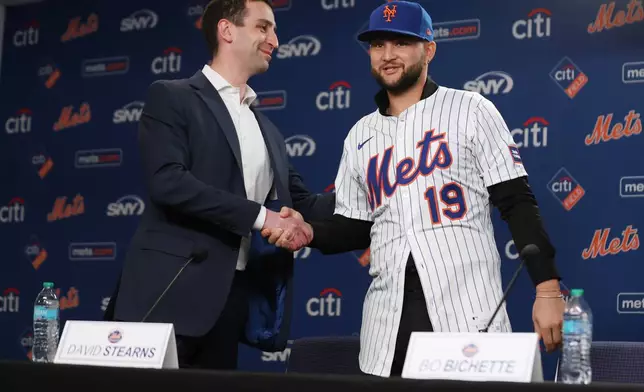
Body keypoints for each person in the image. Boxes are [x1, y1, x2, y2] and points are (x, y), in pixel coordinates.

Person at [262, 0, 565, 378]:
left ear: (429, 48)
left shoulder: (471, 109)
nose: (388, 55)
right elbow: (356, 227)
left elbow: (516, 202)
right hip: (387, 327)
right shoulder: (361, 135)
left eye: (401, 43)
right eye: (377, 45)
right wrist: (310, 233)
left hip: (467, 313)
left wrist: (547, 288)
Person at [111, 0, 331, 370]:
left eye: (274, 30)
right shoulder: (172, 96)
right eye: (263, 28)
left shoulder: (269, 130)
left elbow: (304, 203)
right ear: (227, 31)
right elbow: (169, 182)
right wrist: (264, 218)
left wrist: (374, 193)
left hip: (228, 304)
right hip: (166, 298)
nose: (275, 40)